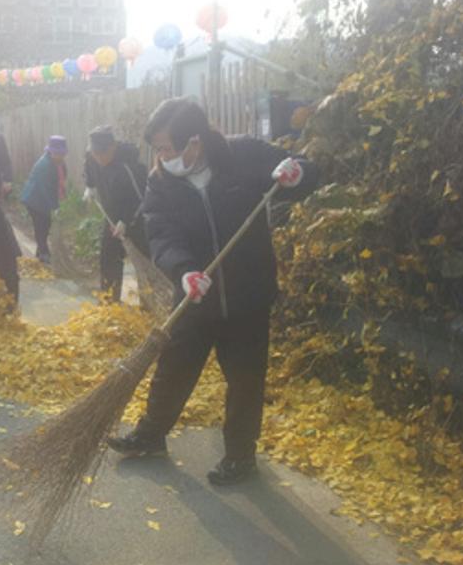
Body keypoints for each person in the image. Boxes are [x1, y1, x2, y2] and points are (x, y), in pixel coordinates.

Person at [107, 98, 319, 485]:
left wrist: (297, 173)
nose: (162, 157)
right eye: (157, 149)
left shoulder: (244, 155)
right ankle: (151, 435)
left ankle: (240, 456)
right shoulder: (161, 183)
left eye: (167, 148)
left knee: (245, 378)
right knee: (173, 365)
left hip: (247, 294)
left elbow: (305, 170)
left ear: (195, 142)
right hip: (195, 293)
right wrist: (183, 271)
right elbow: (161, 234)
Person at [83, 125, 150, 302]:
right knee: (108, 257)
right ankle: (109, 301)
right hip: (111, 218)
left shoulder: (130, 167)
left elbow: (142, 199)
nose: (99, 158)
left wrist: (126, 221)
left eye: (102, 153)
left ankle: (149, 303)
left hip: (136, 220)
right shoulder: (93, 157)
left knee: (144, 262)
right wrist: (89, 186)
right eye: (95, 153)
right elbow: (89, 167)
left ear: (113, 147)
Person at [19, 135, 68, 265]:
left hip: (43, 198)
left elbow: (60, 181)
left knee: (46, 225)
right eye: (58, 154)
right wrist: (55, 207)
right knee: (41, 225)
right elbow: (45, 189)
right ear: (51, 151)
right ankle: (44, 254)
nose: (61, 156)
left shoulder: (58, 163)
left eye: (62, 154)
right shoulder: (45, 165)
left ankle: (41, 251)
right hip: (34, 199)